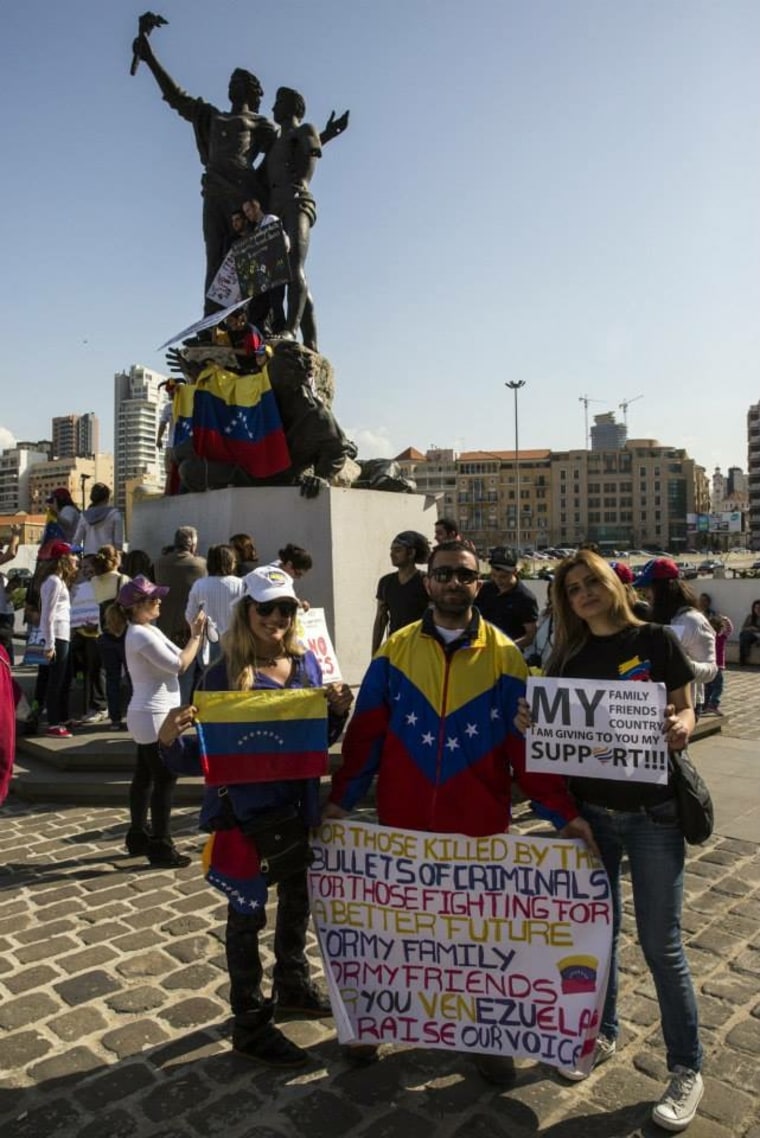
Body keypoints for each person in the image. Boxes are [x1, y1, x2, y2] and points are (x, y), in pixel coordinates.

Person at [326, 540, 594, 1084]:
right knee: (394, 935)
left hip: (477, 826)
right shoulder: (395, 651)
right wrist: (339, 801)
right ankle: (374, 1023)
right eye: (443, 574)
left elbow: (527, 750)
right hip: (402, 825)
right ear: (428, 582)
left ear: (478, 584)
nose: (453, 583)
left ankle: (486, 1035)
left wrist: (562, 812)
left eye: (464, 576)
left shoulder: (505, 655)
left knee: (477, 941)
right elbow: (365, 737)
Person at [518, 550, 703, 1131]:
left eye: (589, 582)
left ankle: (686, 1067)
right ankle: (602, 1034)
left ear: (610, 584)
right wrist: (533, 723)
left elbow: (686, 710)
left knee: (660, 944)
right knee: (598, 938)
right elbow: (551, 725)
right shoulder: (567, 654)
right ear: (565, 601)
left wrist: (682, 726)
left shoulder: (656, 641)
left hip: (654, 815)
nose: (583, 594)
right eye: (571, 589)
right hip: (591, 816)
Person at [157, 565, 353, 1066]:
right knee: (244, 918)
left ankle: (292, 983)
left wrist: (336, 712)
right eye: (266, 608)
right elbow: (196, 757)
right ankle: (249, 1021)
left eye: (285, 608)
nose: (276, 618)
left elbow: (314, 744)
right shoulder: (221, 675)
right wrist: (166, 738)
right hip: (243, 818)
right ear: (247, 612)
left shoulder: (307, 666)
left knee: (296, 905)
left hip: (297, 810)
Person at [106, 576, 206, 867]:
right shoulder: (141, 634)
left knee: (145, 776)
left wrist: (191, 637)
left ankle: (138, 834)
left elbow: (176, 657)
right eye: (153, 599)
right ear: (137, 606)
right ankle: (161, 845)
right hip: (154, 715)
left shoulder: (144, 630)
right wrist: (196, 636)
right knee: (164, 780)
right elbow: (179, 664)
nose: (159, 601)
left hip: (150, 713)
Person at [635, 559, 717, 718]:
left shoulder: (692, 621)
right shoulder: (655, 616)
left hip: (683, 706)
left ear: (665, 588)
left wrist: (679, 663)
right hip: (652, 703)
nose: (645, 593)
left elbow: (711, 671)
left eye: (649, 587)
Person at [155, 527, 208, 702]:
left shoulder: (160, 563)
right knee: (188, 671)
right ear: (192, 543)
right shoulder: (200, 565)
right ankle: (183, 708)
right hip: (189, 626)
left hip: (164, 625)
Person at [38, 542, 79, 738]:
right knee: (56, 680)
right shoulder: (53, 581)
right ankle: (53, 723)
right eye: (73, 555)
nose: (77, 559)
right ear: (63, 559)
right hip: (57, 636)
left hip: (64, 634)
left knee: (65, 679)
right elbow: (48, 613)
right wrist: (49, 643)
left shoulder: (60, 581)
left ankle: (62, 717)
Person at [185, 544, 245, 671]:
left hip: (208, 645)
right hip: (235, 643)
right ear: (230, 562)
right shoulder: (240, 585)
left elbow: (190, 616)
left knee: (209, 681)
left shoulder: (200, 585)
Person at [92, 545, 132, 730]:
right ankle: (132, 716)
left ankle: (114, 719)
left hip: (103, 635)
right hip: (124, 634)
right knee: (133, 677)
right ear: (116, 559)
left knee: (111, 678)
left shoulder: (93, 581)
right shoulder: (123, 580)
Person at [371, 530, 430, 655]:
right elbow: (380, 620)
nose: (392, 554)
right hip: (395, 648)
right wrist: (374, 654)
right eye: (391, 550)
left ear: (411, 553)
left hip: (420, 649)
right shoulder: (386, 583)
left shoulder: (426, 581)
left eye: (397, 550)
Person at [475, 547, 539, 650]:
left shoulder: (526, 598)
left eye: (503, 577)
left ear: (515, 572)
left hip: (509, 655)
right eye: (494, 575)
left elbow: (530, 636)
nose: (498, 580)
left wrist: (507, 648)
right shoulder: (485, 590)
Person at [73, 483, 124, 555]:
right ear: (107, 498)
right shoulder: (115, 515)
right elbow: (118, 543)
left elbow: (76, 541)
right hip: (109, 560)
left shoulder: (83, 516)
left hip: (89, 559)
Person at [703, 612, 733, 716]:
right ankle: (713, 705)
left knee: (708, 686)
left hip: (708, 664)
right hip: (717, 665)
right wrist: (725, 619)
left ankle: (705, 705)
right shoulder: (721, 637)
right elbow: (729, 629)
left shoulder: (707, 636)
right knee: (718, 686)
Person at [738, 600, 760, 665]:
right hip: (753, 635)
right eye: (756, 608)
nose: (758, 610)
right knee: (743, 635)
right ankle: (744, 657)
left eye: (759, 608)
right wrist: (751, 628)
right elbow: (743, 628)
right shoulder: (750, 617)